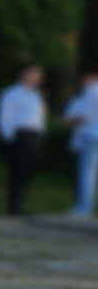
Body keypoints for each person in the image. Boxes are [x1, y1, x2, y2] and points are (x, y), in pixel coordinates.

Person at [0, 64, 48, 215]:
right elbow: (5, 117)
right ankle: (13, 206)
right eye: (33, 75)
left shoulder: (36, 95)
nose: (36, 79)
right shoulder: (12, 94)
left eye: (38, 76)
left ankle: (21, 203)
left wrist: (41, 134)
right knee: (17, 171)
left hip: (34, 136)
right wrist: (8, 138)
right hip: (19, 135)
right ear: (24, 75)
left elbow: (39, 117)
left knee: (28, 171)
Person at [65, 68, 98, 218]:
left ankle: (84, 208)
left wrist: (70, 119)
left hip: (91, 135)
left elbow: (84, 115)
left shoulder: (91, 91)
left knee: (87, 173)